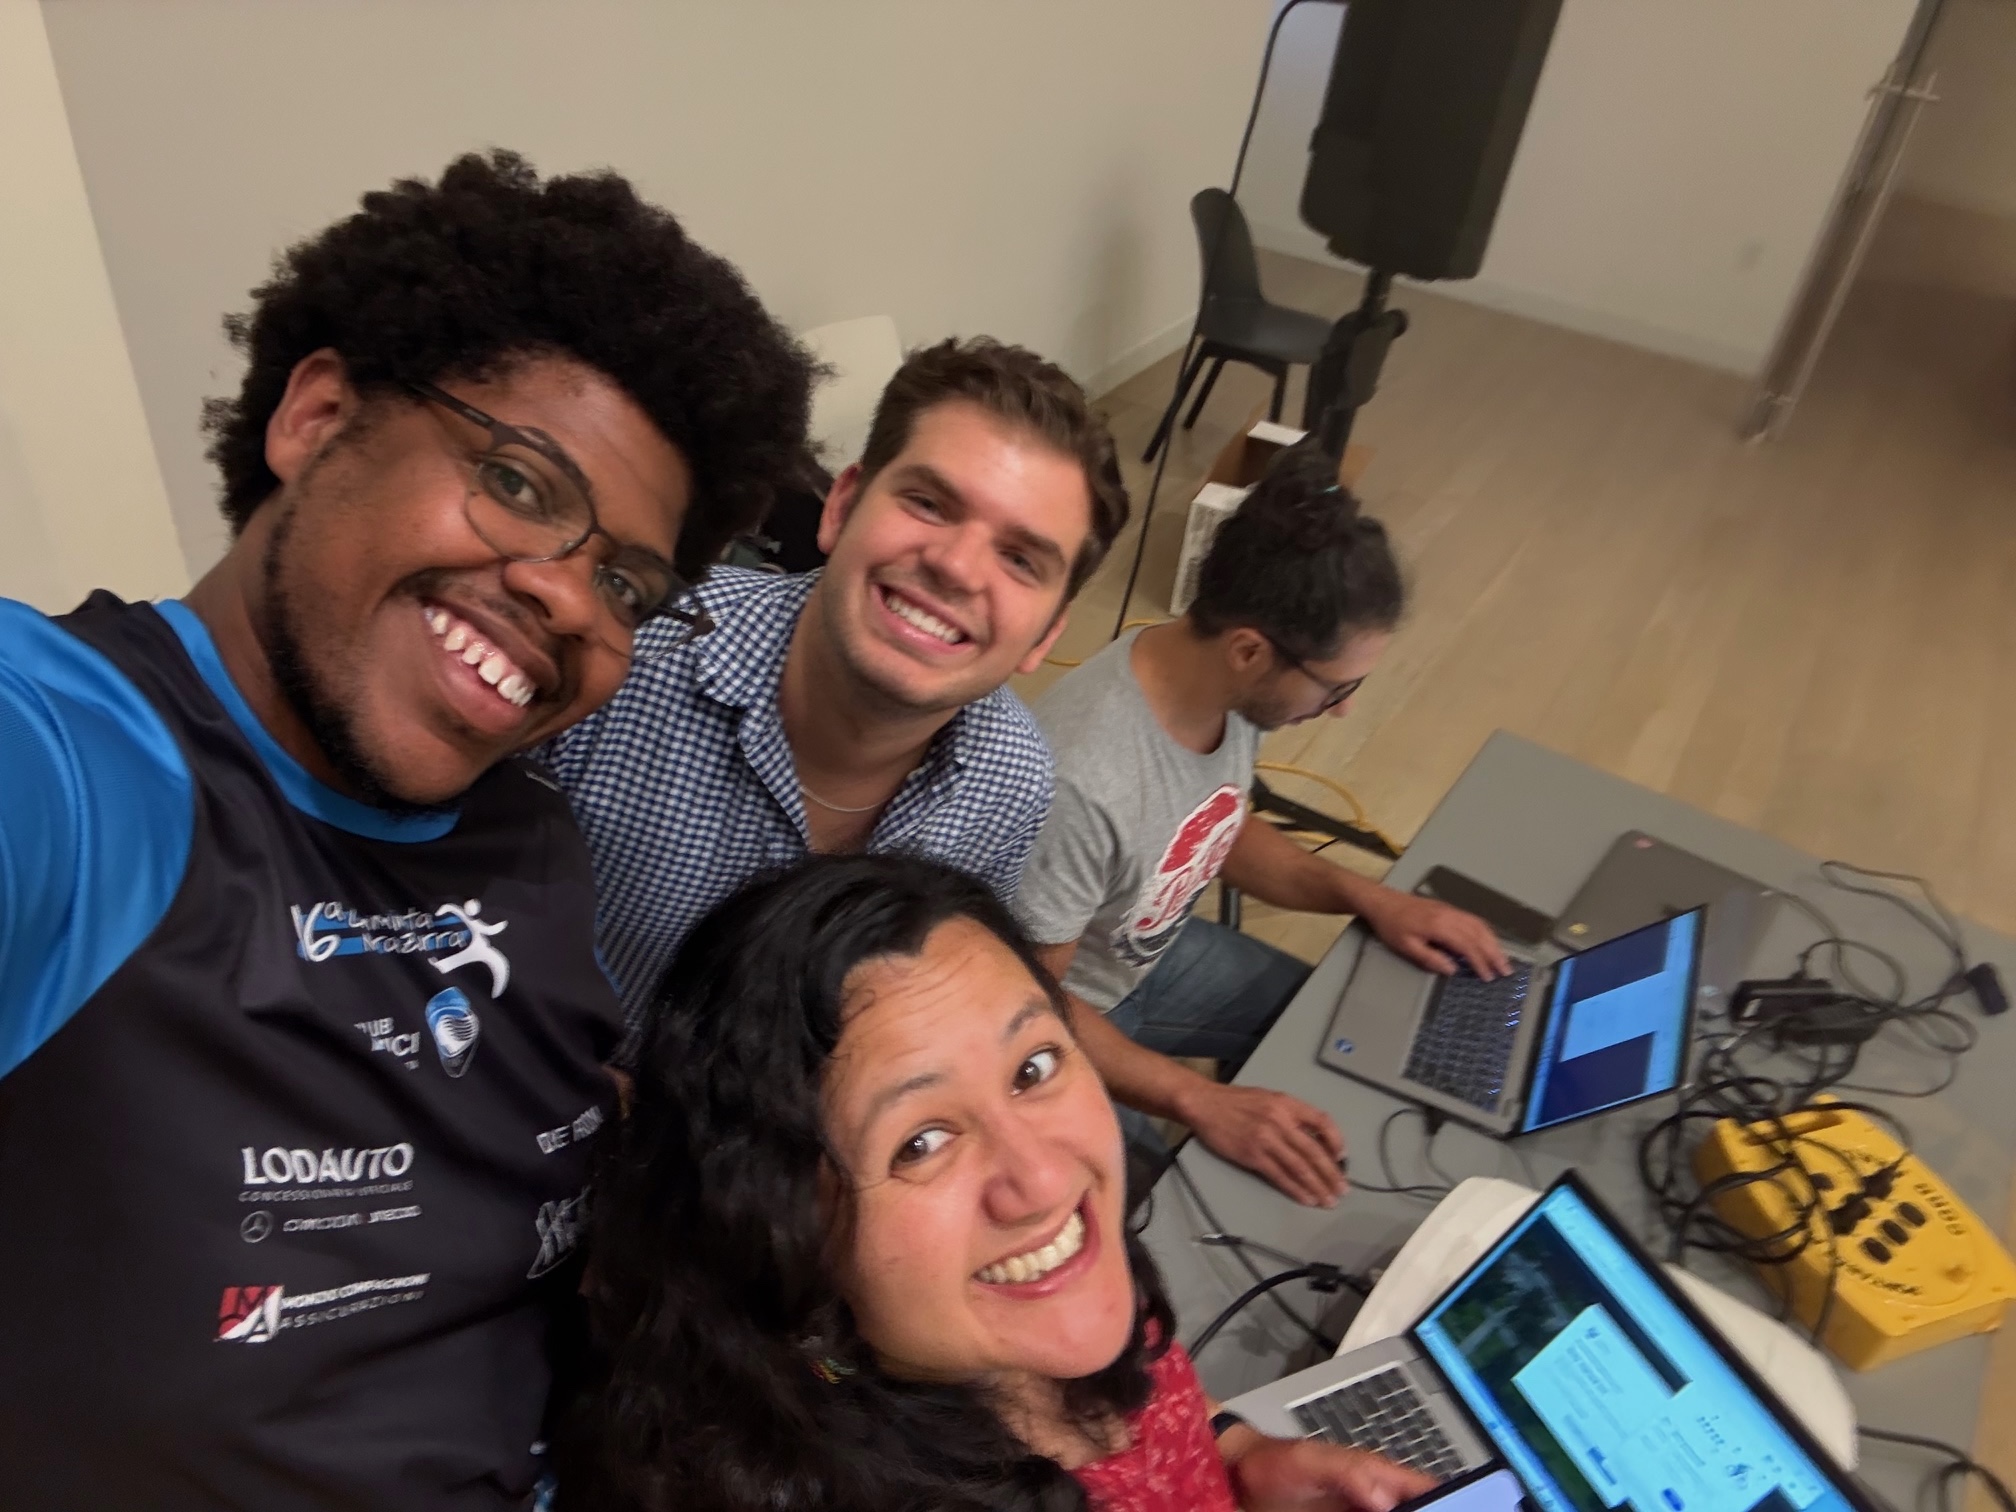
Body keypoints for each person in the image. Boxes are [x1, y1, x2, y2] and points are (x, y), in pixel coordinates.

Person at [0, 150, 814, 1510]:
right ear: (316, 417)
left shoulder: (524, 833)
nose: (571, 601)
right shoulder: (83, 768)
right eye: (522, 482)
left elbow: (529, 1116)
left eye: (625, 583)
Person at [562, 852, 1436, 1512]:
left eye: (1034, 1067)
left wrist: (1237, 1457)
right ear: (777, 1228)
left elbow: (1151, 1399)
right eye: (921, 1142)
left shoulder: (1052, 1299)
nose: (1045, 1178)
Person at [539, 337, 1130, 1039]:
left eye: (1020, 560)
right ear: (843, 506)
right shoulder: (632, 652)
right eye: (929, 503)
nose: (956, 567)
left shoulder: (1012, 783)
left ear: (1046, 635)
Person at [1016, 448, 1508, 1210]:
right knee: (1168, 1212)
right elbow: (1030, 1004)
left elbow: (1218, 828)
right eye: (1336, 688)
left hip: (1141, 960)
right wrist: (1196, 1099)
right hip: (1065, 1013)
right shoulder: (1081, 780)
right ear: (1249, 650)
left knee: (1327, 1031)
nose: (1344, 708)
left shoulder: (1222, 687)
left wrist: (1371, 898)